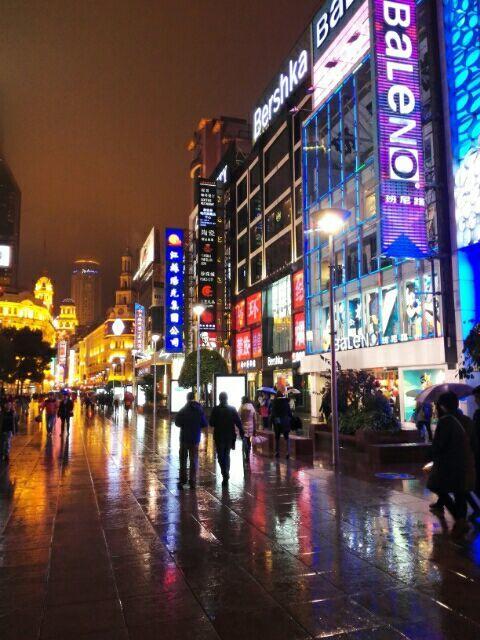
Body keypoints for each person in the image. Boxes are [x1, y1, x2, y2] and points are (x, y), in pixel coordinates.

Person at [427, 392, 476, 539]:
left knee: (436, 486)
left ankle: (460, 520)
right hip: (466, 463)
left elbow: (439, 446)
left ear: (442, 405)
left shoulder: (445, 421)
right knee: (460, 492)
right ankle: (461, 521)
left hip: (448, 465)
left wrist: (430, 456)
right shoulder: (467, 420)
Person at [174, 392, 207, 489]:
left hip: (184, 438)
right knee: (194, 460)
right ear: (194, 398)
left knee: (183, 460)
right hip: (195, 439)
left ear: (187, 399)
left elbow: (177, 422)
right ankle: (192, 481)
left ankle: (183, 480)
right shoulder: (199, 410)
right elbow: (204, 423)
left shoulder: (183, 409)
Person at [209, 392, 243, 486]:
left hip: (219, 436)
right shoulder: (232, 409)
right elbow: (238, 422)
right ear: (227, 398)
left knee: (220, 456)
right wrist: (241, 431)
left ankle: (224, 472)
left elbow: (211, 423)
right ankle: (226, 472)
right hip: (229, 436)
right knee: (227, 454)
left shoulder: (215, 409)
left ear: (219, 399)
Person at [271, 390, 292, 459]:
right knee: (287, 437)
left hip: (278, 420)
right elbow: (289, 413)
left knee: (277, 437)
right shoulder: (286, 402)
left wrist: (271, 422)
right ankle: (288, 452)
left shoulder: (275, 402)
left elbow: (273, 413)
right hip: (285, 420)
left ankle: (277, 452)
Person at [239, 396, 257, 464]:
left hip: (243, 426)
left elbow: (238, 415)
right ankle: (248, 452)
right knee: (249, 439)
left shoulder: (242, 407)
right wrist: (255, 427)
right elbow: (254, 418)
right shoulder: (252, 407)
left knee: (244, 439)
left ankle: (245, 451)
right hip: (251, 426)